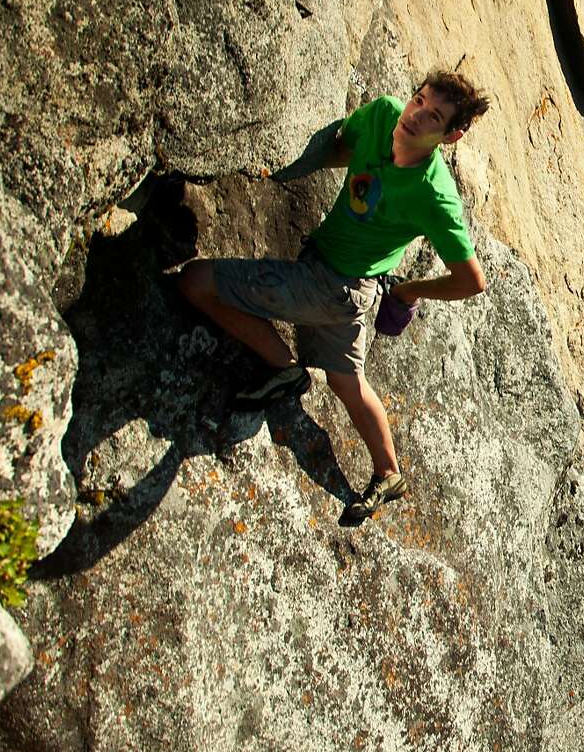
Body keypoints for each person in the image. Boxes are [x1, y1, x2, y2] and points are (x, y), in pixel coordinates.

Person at [179, 71, 490, 526]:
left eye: (435, 117)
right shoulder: (383, 114)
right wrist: (280, 164)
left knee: (195, 281)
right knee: (347, 383)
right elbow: (344, 147)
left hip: (334, 287)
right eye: (418, 100)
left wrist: (406, 291)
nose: (416, 116)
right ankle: (389, 472)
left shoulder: (434, 196)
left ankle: (283, 370)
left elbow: (471, 281)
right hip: (346, 288)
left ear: (452, 134)